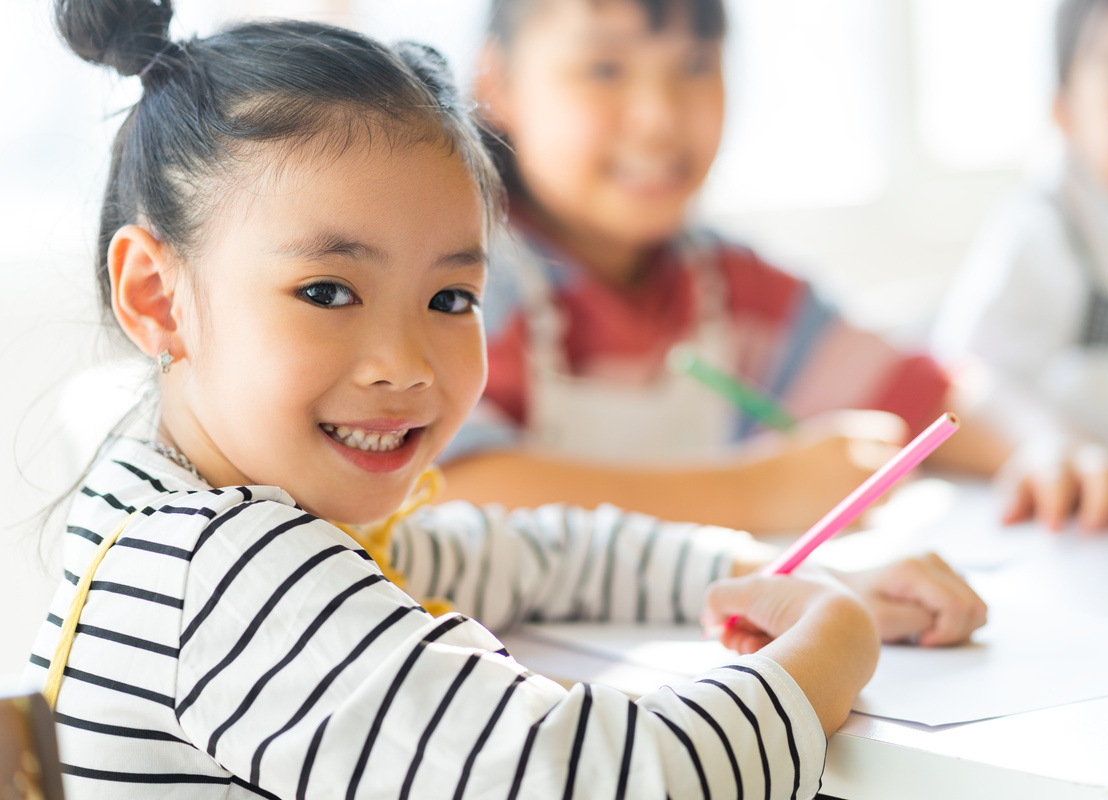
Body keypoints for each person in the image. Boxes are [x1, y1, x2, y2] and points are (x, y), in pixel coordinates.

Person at [26, 2, 986, 798]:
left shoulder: (187, 508)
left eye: (452, 298)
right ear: (158, 297)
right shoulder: (232, 575)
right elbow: (610, 778)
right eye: (327, 292)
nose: (405, 362)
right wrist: (826, 652)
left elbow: (533, 553)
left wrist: (771, 573)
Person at [438, 0, 1108, 533]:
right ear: (496, 83)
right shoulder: (459, 281)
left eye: (694, 66)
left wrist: (1046, 447)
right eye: (604, 69)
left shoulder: (730, 288)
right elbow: (446, 486)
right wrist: (761, 492)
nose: (658, 115)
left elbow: (935, 392)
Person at [934, 0, 1108, 524]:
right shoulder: (1045, 230)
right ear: (1067, 115)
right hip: (1079, 534)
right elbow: (963, 389)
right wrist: (1051, 446)